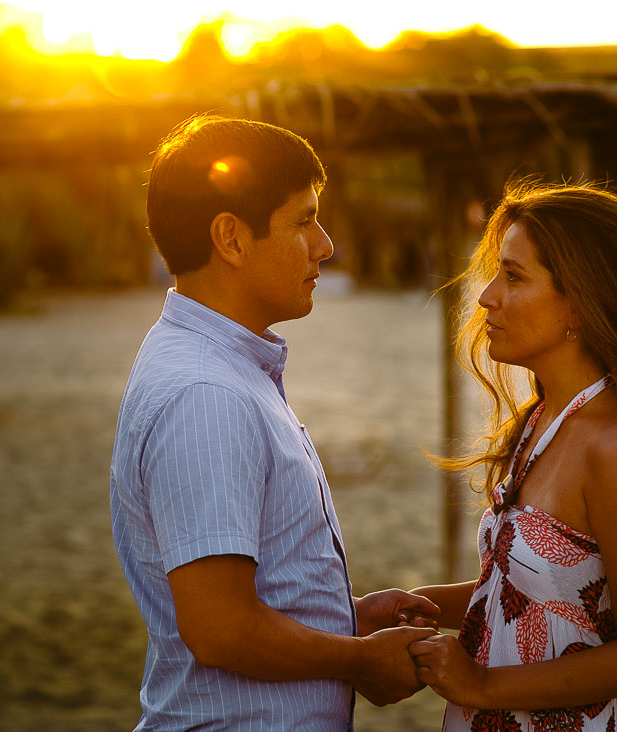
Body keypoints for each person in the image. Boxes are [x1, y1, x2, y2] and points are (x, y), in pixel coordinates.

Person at [110, 113, 439, 730]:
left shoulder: (219, 369)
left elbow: (242, 600)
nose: (326, 244)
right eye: (303, 220)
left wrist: (343, 617)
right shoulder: (205, 395)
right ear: (231, 239)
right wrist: (358, 660)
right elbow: (221, 628)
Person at [407, 180, 617, 731]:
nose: (485, 295)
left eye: (514, 276)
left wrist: (479, 684)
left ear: (580, 303)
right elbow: (540, 593)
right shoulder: (544, 421)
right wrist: (420, 604)